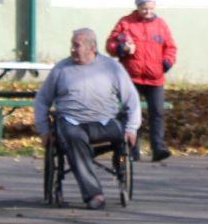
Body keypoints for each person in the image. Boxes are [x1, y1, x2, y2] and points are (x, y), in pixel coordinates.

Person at [33, 28, 142, 209]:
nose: (72, 49)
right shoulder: (62, 69)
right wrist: (44, 129)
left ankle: (121, 167)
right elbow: (42, 100)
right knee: (75, 137)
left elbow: (132, 98)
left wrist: (132, 127)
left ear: (92, 47)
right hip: (71, 122)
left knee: (122, 145)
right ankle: (94, 194)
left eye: (77, 45)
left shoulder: (112, 68)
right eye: (72, 45)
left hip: (105, 122)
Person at [106, 0, 178, 162]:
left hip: (155, 77)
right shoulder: (126, 23)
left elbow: (171, 47)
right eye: (144, 9)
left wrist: (166, 63)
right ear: (137, 7)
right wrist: (122, 49)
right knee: (130, 113)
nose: (148, 12)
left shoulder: (161, 25)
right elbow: (111, 44)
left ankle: (158, 147)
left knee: (157, 113)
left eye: (151, 9)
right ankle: (131, 150)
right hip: (132, 77)